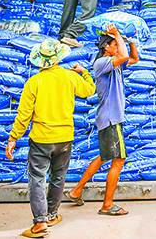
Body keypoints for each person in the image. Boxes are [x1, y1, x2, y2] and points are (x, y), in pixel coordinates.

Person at [7, 39, 96, 238]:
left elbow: (24, 114)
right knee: (58, 176)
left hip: (41, 139)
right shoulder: (69, 77)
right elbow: (89, 90)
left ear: (40, 61)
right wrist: (85, 72)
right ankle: (52, 214)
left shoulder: (34, 82)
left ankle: (40, 223)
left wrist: (14, 137)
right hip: (65, 138)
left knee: (37, 179)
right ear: (58, 58)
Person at [65, 26, 139, 215]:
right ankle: (107, 205)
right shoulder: (101, 63)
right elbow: (122, 57)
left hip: (111, 118)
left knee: (104, 157)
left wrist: (130, 41)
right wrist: (116, 34)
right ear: (106, 47)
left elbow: (133, 58)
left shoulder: (114, 63)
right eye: (114, 45)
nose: (117, 47)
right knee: (118, 160)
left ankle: (76, 191)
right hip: (110, 118)